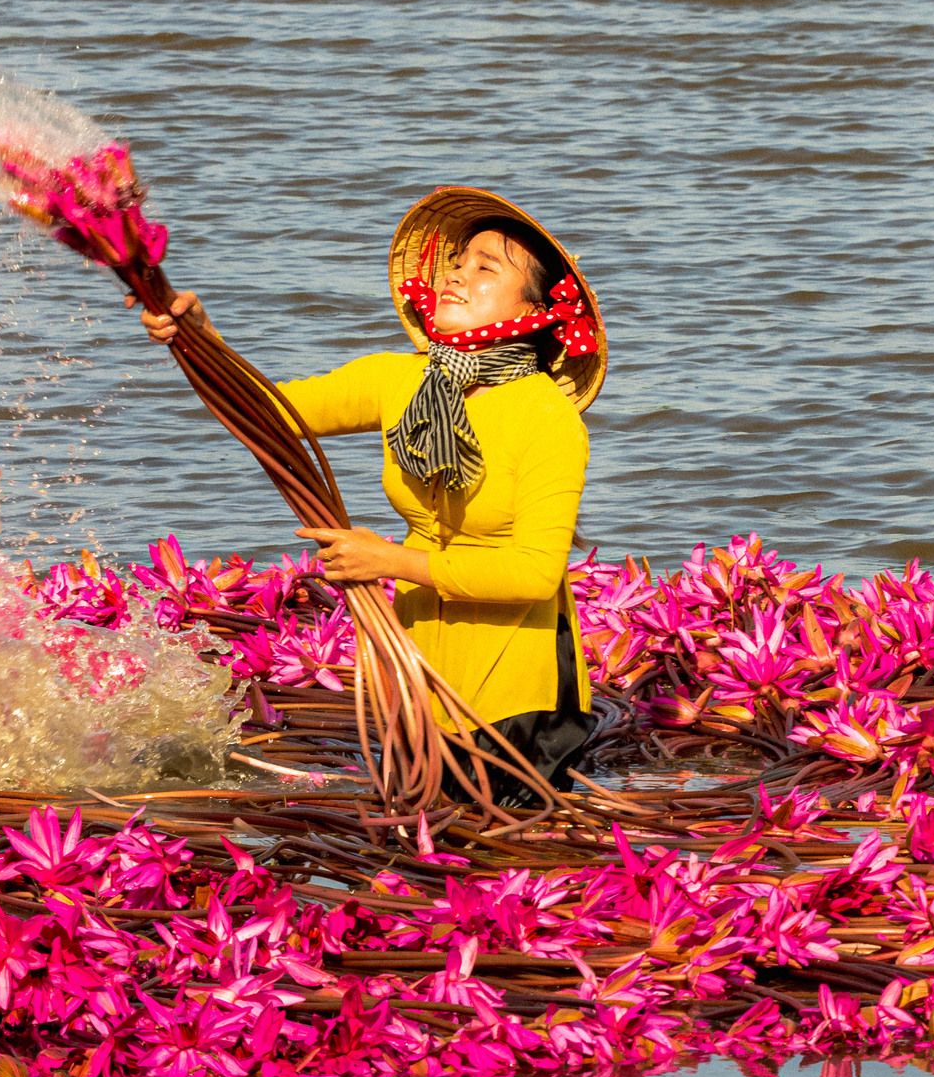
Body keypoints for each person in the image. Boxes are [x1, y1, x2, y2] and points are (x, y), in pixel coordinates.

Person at [131, 187, 609, 795]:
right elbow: (268, 411)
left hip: (515, 688)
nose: (456, 278)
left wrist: (386, 560)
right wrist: (197, 337)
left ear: (539, 307)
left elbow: (536, 574)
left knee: (485, 852)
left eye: (485, 268)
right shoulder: (399, 380)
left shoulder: (545, 416)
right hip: (412, 673)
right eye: (456, 265)